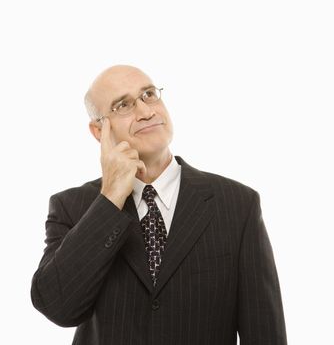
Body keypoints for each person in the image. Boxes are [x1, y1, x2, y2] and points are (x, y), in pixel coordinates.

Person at [31, 65, 288, 344]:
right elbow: (59, 308)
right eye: (124, 105)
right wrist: (111, 198)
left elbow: (265, 333)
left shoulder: (238, 204)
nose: (145, 111)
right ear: (98, 130)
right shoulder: (72, 206)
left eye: (149, 95)